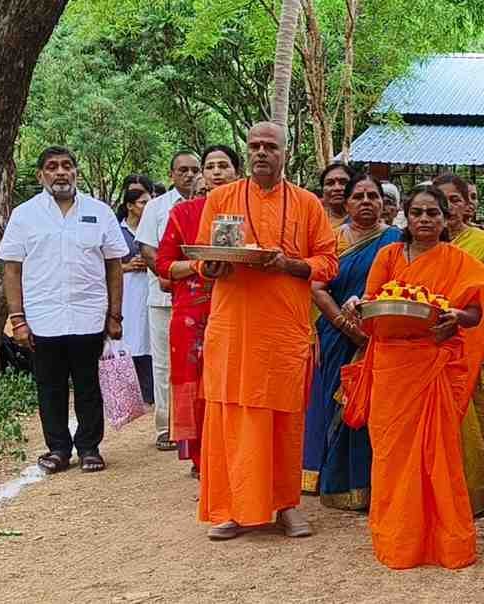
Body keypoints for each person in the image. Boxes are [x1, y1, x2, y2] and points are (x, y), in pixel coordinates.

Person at [337, 185, 484, 569]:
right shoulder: (389, 254)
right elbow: (371, 302)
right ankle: (398, 538)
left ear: (446, 220)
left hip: (433, 365)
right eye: (418, 213)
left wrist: (456, 317)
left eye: (433, 213)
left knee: (438, 455)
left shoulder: (456, 259)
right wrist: (354, 305)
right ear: (406, 218)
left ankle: (441, 539)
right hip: (390, 367)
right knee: (391, 455)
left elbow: (482, 307)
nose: (425, 219)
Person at [192, 122, 339, 541]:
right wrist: (212, 265)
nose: (261, 153)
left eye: (269, 146)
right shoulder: (221, 198)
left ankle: (286, 504)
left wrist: (289, 264)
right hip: (234, 330)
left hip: (283, 332)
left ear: (284, 153)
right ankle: (231, 509)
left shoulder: (308, 204)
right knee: (231, 419)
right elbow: (205, 257)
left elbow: (328, 262)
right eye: (254, 146)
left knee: (284, 421)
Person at [0, 146, 128, 474]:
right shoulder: (24, 215)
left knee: (88, 385)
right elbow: (12, 269)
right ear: (41, 174)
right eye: (53, 167)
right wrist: (18, 319)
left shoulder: (99, 211)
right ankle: (57, 448)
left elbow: (114, 264)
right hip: (43, 319)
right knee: (50, 386)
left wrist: (115, 315)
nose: (60, 172)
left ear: (76, 172)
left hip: (89, 316)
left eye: (67, 166)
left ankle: (89, 447)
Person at [300, 173, 404, 507]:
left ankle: (375, 484)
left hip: (384, 334)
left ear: (384, 203)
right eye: (358, 196)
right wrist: (349, 327)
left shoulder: (396, 239)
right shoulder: (330, 241)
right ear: (345, 203)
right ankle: (338, 483)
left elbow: (404, 285)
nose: (366, 202)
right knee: (337, 405)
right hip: (338, 335)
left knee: (377, 408)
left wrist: (372, 327)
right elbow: (317, 287)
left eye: (372, 196)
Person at [156, 144, 242, 478]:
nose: (217, 172)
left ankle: (233, 455)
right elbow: (163, 265)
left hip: (238, 309)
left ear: (237, 172)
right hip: (191, 314)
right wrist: (199, 267)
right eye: (211, 166)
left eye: (224, 165)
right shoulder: (184, 214)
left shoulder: (247, 210)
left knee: (232, 385)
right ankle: (202, 460)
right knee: (194, 387)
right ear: (203, 174)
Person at [435, 172, 484, 512]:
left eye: (455, 200)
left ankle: (471, 498)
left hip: (473, 346)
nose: (448, 207)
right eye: (441, 200)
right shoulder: (419, 247)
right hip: (429, 347)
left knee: (475, 422)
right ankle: (435, 493)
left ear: (467, 205)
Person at [135, 150, 201, 451]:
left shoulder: (218, 204)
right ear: (171, 174)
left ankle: (197, 426)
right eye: (182, 170)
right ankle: (166, 426)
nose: (189, 175)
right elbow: (149, 250)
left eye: (193, 169)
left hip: (204, 299)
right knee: (164, 365)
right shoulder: (157, 207)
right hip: (164, 297)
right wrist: (172, 281)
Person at [116, 177, 155, 406]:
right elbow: (104, 264)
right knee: (129, 337)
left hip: (148, 289)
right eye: (142, 203)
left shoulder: (151, 229)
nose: (146, 207)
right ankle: (127, 392)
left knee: (148, 338)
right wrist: (129, 266)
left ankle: (149, 391)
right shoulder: (118, 230)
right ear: (130, 206)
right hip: (127, 292)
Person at [319, 162, 355, 228]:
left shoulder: (363, 220)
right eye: (330, 183)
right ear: (323, 190)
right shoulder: (315, 218)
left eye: (343, 182)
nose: (337, 188)